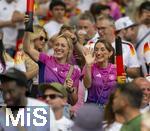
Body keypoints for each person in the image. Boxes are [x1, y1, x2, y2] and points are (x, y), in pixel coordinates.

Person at [23, 30, 81, 105]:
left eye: (63, 46)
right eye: (57, 45)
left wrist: (71, 90)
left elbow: (73, 102)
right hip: (43, 105)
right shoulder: (45, 60)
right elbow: (27, 49)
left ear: (69, 50)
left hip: (60, 109)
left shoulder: (74, 71)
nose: (59, 48)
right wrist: (28, 28)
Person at [96, 15, 140, 79]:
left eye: (103, 28)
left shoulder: (128, 46)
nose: (100, 31)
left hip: (122, 85)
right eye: (98, 29)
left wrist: (122, 68)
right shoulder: (92, 45)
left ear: (113, 28)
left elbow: (136, 73)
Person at [83, 39, 125, 107]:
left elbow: (121, 90)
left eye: (102, 50)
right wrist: (88, 65)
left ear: (110, 53)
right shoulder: (90, 66)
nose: (98, 53)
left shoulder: (117, 68)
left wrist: (122, 82)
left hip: (109, 109)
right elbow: (87, 85)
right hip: (92, 107)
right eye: (96, 50)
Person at [136, 1, 150, 76]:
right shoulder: (135, 27)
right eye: (145, 12)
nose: (148, 14)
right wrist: (140, 21)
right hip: (139, 64)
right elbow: (132, 40)